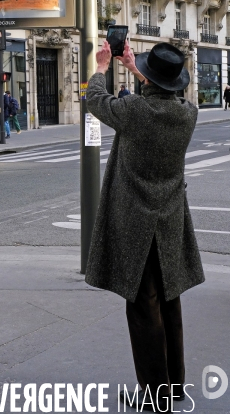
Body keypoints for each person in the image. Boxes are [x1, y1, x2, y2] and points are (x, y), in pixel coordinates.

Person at [85, 40, 205, 411]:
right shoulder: (189, 113)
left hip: (136, 220)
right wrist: (137, 69)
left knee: (142, 307)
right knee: (170, 301)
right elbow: (164, 97)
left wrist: (103, 66)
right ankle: (172, 388)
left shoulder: (133, 110)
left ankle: (153, 395)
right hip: (169, 219)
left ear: (150, 80)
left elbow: (95, 100)